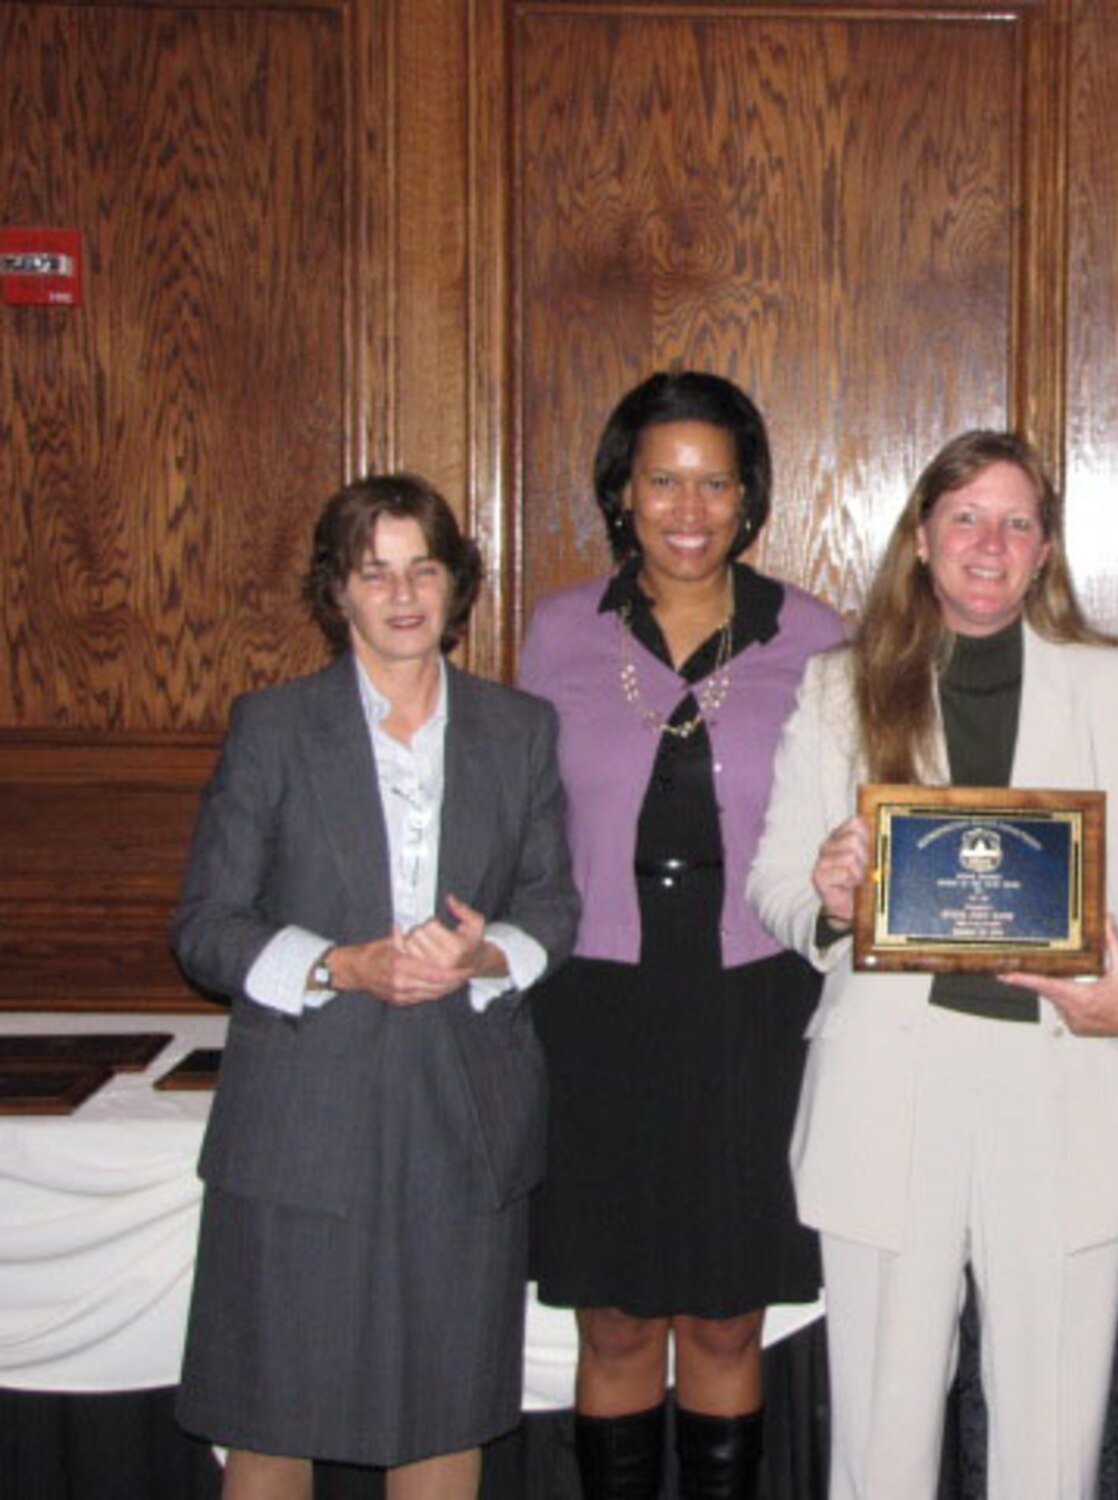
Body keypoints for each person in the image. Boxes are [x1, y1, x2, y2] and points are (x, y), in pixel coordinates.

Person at [747, 429, 1118, 1499]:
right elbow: (773, 879)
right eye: (964, 517)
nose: (988, 542)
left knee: (1050, 1437)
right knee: (881, 1431)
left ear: (1045, 547)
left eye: (1014, 521)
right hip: (891, 1084)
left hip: (1065, 1081)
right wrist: (823, 901)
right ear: (921, 537)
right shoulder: (837, 688)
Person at [172, 474, 578, 1500]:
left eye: (423, 569)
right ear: (338, 593)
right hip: (300, 1120)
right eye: (374, 572)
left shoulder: (518, 729)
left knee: (443, 1418)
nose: (402, 596)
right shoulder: (271, 727)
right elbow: (206, 929)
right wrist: (339, 963)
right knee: (273, 1421)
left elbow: (552, 908)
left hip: (460, 1113)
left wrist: (487, 956)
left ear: (455, 585)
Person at [520, 370, 844, 1499]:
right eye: (663, 479)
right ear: (621, 490)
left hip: (751, 1006)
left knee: (721, 1320)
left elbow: (851, 825)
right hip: (593, 1009)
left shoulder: (813, 636)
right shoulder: (557, 631)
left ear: (749, 495)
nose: (689, 506)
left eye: (715, 481)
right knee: (610, 1324)